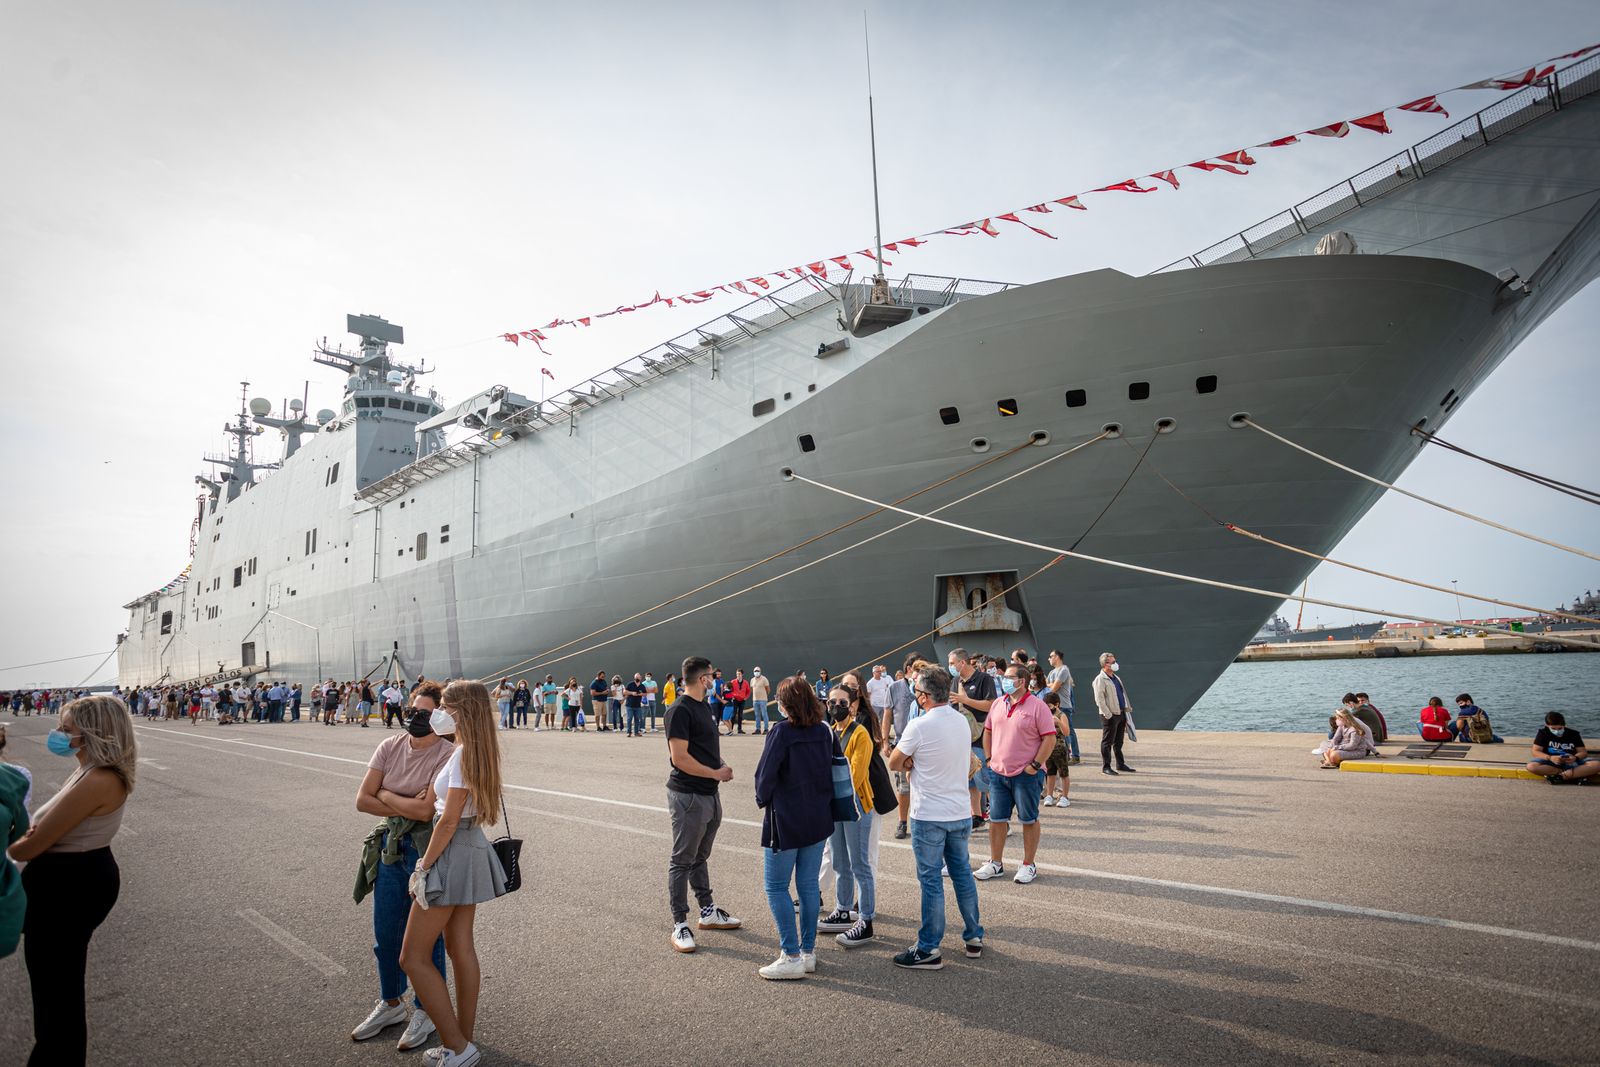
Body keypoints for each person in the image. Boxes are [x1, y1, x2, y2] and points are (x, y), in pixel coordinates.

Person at [8, 695, 135, 1066]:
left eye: (67, 730)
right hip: (71, 881)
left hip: (69, 888)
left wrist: (11, 841)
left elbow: (29, 847)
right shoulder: (88, 768)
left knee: (56, 998)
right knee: (56, 993)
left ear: (94, 733)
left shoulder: (98, 778)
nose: (58, 735)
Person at [399, 680, 508, 1067]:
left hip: (452, 850)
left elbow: (445, 822)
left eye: (444, 705)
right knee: (460, 947)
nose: (437, 712)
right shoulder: (478, 750)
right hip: (472, 846)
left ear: (460, 710)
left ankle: (458, 1048)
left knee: (412, 957)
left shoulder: (461, 755)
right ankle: (463, 1039)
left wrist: (423, 867)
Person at [352, 681, 455, 1052]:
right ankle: (391, 1002)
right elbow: (362, 800)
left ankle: (427, 1009)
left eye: (424, 713)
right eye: (412, 711)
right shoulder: (389, 745)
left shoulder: (447, 753)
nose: (414, 718)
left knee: (428, 941)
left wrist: (385, 794)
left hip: (425, 851)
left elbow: (426, 811)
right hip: (390, 849)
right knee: (385, 934)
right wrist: (404, 801)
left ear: (439, 717)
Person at [888, 665, 983, 969]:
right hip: (959, 812)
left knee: (930, 880)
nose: (915, 695)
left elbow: (894, 761)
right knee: (962, 874)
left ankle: (929, 947)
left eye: (917, 690)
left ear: (925, 696)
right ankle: (973, 935)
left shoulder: (919, 726)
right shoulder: (960, 721)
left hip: (929, 813)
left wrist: (912, 761)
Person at [752, 677, 834, 979]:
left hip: (786, 818)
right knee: (809, 885)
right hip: (818, 816)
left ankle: (791, 954)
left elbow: (765, 776)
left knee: (776, 886)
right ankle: (808, 951)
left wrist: (762, 799)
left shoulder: (781, 732)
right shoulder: (824, 731)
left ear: (786, 704)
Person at [665, 656, 740, 953]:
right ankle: (679, 923)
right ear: (702, 679)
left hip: (709, 793)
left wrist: (720, 765)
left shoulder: (704, 707)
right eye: (711, 676)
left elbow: (704, 748)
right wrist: (715, 773)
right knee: (682, 859)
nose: (714, 679)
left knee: (700, 856)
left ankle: (707, 911)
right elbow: (679, 758)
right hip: (688, 795)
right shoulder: (680, 710)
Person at [975, 663, 1056, 884]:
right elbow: (988, 731)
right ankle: (995, 863)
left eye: (1009, 677)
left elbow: (1050, 738)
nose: (1004, 680)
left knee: (1028, 819)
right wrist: (990, 759)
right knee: (997, 820)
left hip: (1026, 774)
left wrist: (1035, 765)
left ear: (1022, 681)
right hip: (998, 773)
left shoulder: (1038, 707)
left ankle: (1028, 864)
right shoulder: (998, 704)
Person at [818, 680, 882, 948]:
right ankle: (843, 909)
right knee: (840, 862)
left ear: (853, 705)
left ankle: (865, 920)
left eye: (842, 703)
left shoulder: (860, 734)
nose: (835, 707)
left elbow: (856, 774)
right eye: (831, 702)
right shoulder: (830, 731)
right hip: (835, 805)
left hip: (855, 805)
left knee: (860, 865)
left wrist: (826, 788)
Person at [946, 647, 996, 827]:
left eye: (952, 663)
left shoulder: (984, 679)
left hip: (980, 739)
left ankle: (1000, 819)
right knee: (970, 783)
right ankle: (977, 816)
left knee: (987, 781)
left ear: (962, 662)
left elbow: (991, 705)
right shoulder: (954, 681)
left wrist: (965, 700)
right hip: (961, 740)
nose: (950, 666)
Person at [884, 658, 917, 839]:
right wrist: (884, 741)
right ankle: (902, 822)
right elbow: (887, 714)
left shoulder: (929, 687)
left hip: (924, 747)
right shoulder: (894, 688)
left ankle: (922, 821)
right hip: (902, 744)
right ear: (909, 669)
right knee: (903, 788)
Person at [1091, 652, 1135, 775]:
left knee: (1119, 741)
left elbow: (1122, 694)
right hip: (1109, 715)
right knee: (1107, 741)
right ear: (1106, 664)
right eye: (1113, 662)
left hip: (1120, 713)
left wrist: (1125, 711)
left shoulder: (1116, 678)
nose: (1116, 664)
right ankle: (1106, 766)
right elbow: (1099, 699)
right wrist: (1108, 714)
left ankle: (1120, 764)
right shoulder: (1100, 679)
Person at [1526, 711, 1599, 784]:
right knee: (1531, 766)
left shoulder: (1574, 734)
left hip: (1573, 762)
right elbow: (1535, 751)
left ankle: (1561, 777)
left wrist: (1575, 758)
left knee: (1597, 764)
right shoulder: (1543, 733)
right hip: (1552, 763)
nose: (1557, 731)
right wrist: (1550, 758)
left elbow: (1583, 752)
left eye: (1560, 728)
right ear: (1547, 725)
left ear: (1564, 725)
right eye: (1553, 729)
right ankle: (1571, 776)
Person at [1045, 649, 1080, 763]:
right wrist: (1051, 685)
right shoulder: (1051, 672)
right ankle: (1065, 755)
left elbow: (1054, 688)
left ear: (1057, 657)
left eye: (1051, 656)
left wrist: (1051, 685)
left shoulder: (1064, 670)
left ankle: (1075, 756)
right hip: (1053, 707)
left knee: (1068, 731)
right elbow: (1047, 687)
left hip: (1064, 706)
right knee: (1058, 732)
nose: (1049, 659)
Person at [1040, 690, 1073, 808]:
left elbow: (1067, 732)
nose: (1047, 708)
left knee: (1063, 773)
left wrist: (1058, 722)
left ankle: (1065, 796)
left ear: (1057, 704)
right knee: (1050, 773)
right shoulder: (1045, 715)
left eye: (1049, 705)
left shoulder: (1061, 715)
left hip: (1060, 748)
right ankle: (1049, 795)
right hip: (1048, 748)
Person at [725, 669, 751, 735]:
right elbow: (729, 690)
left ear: (742, 674)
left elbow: (748, 691)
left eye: (739, 674)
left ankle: (739, 729)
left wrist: (746, 697)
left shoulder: (746, 682)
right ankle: (731, 729)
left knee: (740, 715)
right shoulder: (733, 682)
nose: (738, 675)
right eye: (737, 674)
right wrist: (732, 696)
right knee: (733, 714)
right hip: (735, 700)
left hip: (742, 700)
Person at [749, 667, 771, 734]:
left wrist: (764, 696)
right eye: (755, 671)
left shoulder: (764, 679)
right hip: (755, 700)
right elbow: (751, 689)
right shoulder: (752, 680)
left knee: (764, 714)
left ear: (760, 671)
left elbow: (768, 689)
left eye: (758, 671)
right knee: (757, 715)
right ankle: (758, 729)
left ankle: (766, 729)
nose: (756, 672)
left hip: (763, 700)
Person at [625, 674, 646, 738]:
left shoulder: (642, 686)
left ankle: (636, 732)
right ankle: (629, 732)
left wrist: (641, 694)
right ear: (634, 677)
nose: (637, 678)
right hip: (629, 705)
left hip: (637, 705)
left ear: (640, 678)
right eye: (636, 677)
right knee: (629, 718)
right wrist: (632, 693)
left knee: (637, 719)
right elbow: (624, 692)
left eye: (638, 677)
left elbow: (645, 694)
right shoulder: (630, 684)